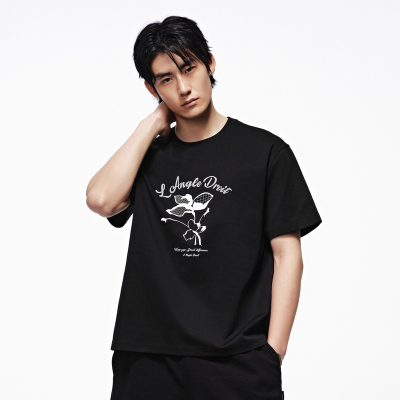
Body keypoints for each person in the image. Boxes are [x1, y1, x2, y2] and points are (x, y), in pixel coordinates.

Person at [86, 15, 322, 400]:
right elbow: (101, 199)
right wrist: (151, 124)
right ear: (151, 88)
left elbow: (288, 255)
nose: (183, 88)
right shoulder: (147, 158)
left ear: (209, 63)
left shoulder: (265, 153)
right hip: (147, 357)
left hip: (235, 360)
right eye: (165, 79)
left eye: (188, 68)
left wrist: (272, 352)